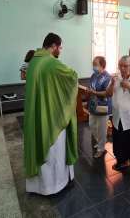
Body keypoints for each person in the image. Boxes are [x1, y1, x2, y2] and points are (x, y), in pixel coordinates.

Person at [24, 33, 78, 195]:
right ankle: (55, 185)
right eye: (59, 47)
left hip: (36, 112)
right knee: (54, 151)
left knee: (38, 144)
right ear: (53, 46)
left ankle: (37, 186)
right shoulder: (51, 63)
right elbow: (72, 76)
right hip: (52, 116)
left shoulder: (34, 61)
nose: (59, 51)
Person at [87, 56, 111, 158]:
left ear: (102, 65)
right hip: (93, 105)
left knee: (101, 129)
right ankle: (101, 141)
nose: (94, 67)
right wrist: (89, 91)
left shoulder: (107, 77)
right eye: (93, 64)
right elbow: (91, 87)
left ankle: (101, 149)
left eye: (96, 65)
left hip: (103, 106)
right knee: (92, 125)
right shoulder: (94, 75)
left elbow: (107, 93)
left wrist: (94, 92)